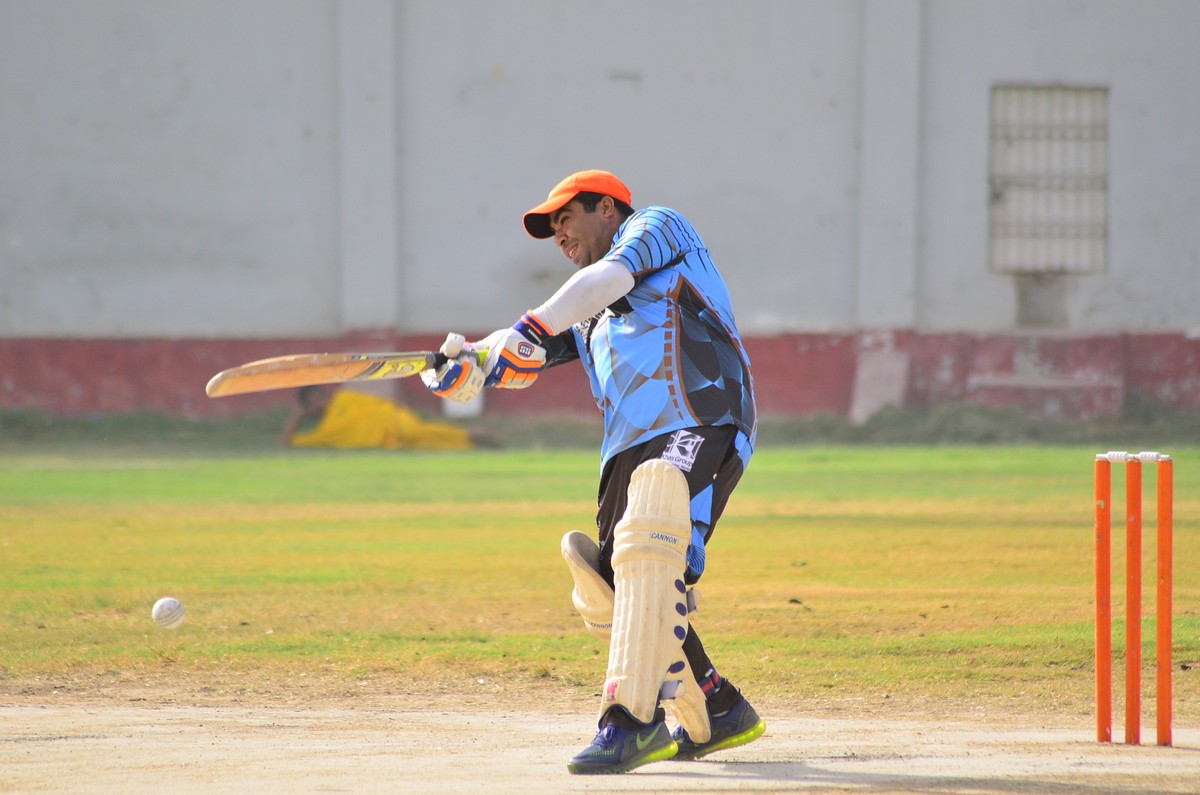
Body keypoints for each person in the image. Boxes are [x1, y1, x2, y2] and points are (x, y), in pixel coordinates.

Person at [421, 170, 764, 774]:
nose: (559, 235)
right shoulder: (583, 312)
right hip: (625, 448)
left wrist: (530, 327)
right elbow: (520, 354)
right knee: (617, 582)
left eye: (565, 219)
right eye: (552, 229)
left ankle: (630, 723)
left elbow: (599, 284)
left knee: (648, 548)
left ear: (607, 208)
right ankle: (717, 705)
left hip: (701, 413)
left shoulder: (658, 227)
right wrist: (466, 362)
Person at [281, 384, 499, 450]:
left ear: (324, 395)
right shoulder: (323, 433)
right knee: (423, 442)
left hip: (392, 419)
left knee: (414, 432)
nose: (318, 403)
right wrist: (298, 415)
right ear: (307, 409)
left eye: (318, 397)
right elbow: (287, 442)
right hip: (386, 439)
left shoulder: (344, 398)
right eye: (311, 403)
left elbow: (379, 402)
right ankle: (470, 440)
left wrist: (396, 409)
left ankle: (471, 435)